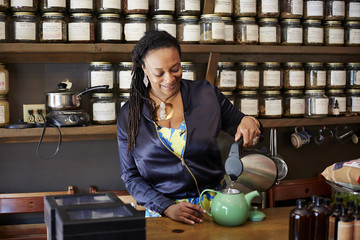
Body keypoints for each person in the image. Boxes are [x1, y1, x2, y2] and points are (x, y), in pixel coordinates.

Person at [117, 30, 262, 225]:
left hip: (216, 209)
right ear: (144, 68)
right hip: (163, 216)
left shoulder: (206, 94)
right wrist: (166, 207)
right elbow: (131, 176)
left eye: (175, 69)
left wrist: (251, 122)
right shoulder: (129, 115)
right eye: (159, 73)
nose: (169, 79)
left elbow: (244, 125)